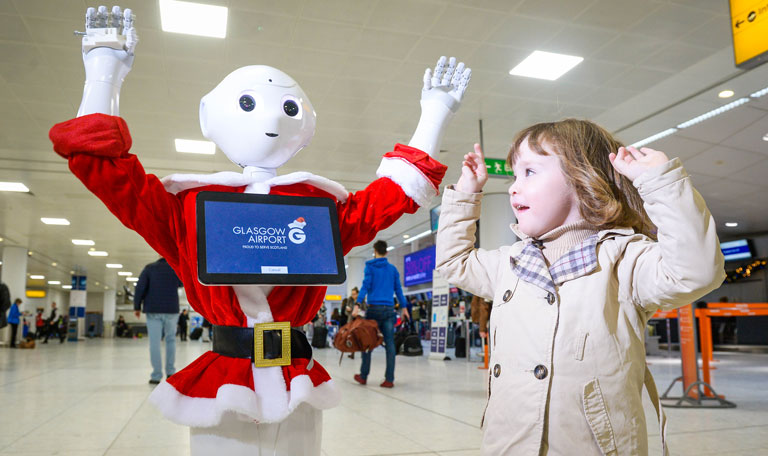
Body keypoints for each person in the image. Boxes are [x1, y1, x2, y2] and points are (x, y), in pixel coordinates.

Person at [49, 6, 470, 454]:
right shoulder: (188, 207)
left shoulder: (317, 206)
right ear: (208, 117)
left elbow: (388, 200)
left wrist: (434, 115)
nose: (271, 120)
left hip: (295, 376)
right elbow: (109, 173)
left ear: (307, 125)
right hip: (225, 375)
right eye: (248, 103)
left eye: (289, 107)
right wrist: (103, 69)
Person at [435, 119, 726, 455]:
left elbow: (697, 271)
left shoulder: (623, 260)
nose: (514, 187)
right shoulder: (509, 263)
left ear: (583, 176)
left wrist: (660, 183)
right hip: (508, 444)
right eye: (515, 175)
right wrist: (467, 194)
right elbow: (453, 263)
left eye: (530, 172)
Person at [354, 240, 410, 388]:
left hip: (373, 310)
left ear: (375, 250)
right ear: (386, 252)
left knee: (368, 341)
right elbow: (398, 290)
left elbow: (365, 286)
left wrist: (357, 304)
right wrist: (404, 308)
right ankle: (389, 379)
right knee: (390, 344)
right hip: (389, 310)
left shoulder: (370, 267)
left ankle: (363, 376)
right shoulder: (392, 270)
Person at [134, 257, 183, 385]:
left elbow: (140, 288)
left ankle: (156, 375)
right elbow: (181, 283)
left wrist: (137, 306)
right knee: (170, 340)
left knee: (154, 342)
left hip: (153, 309)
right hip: (171, 309)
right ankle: (170, 372)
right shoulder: (175, 267)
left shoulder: (149, 268)